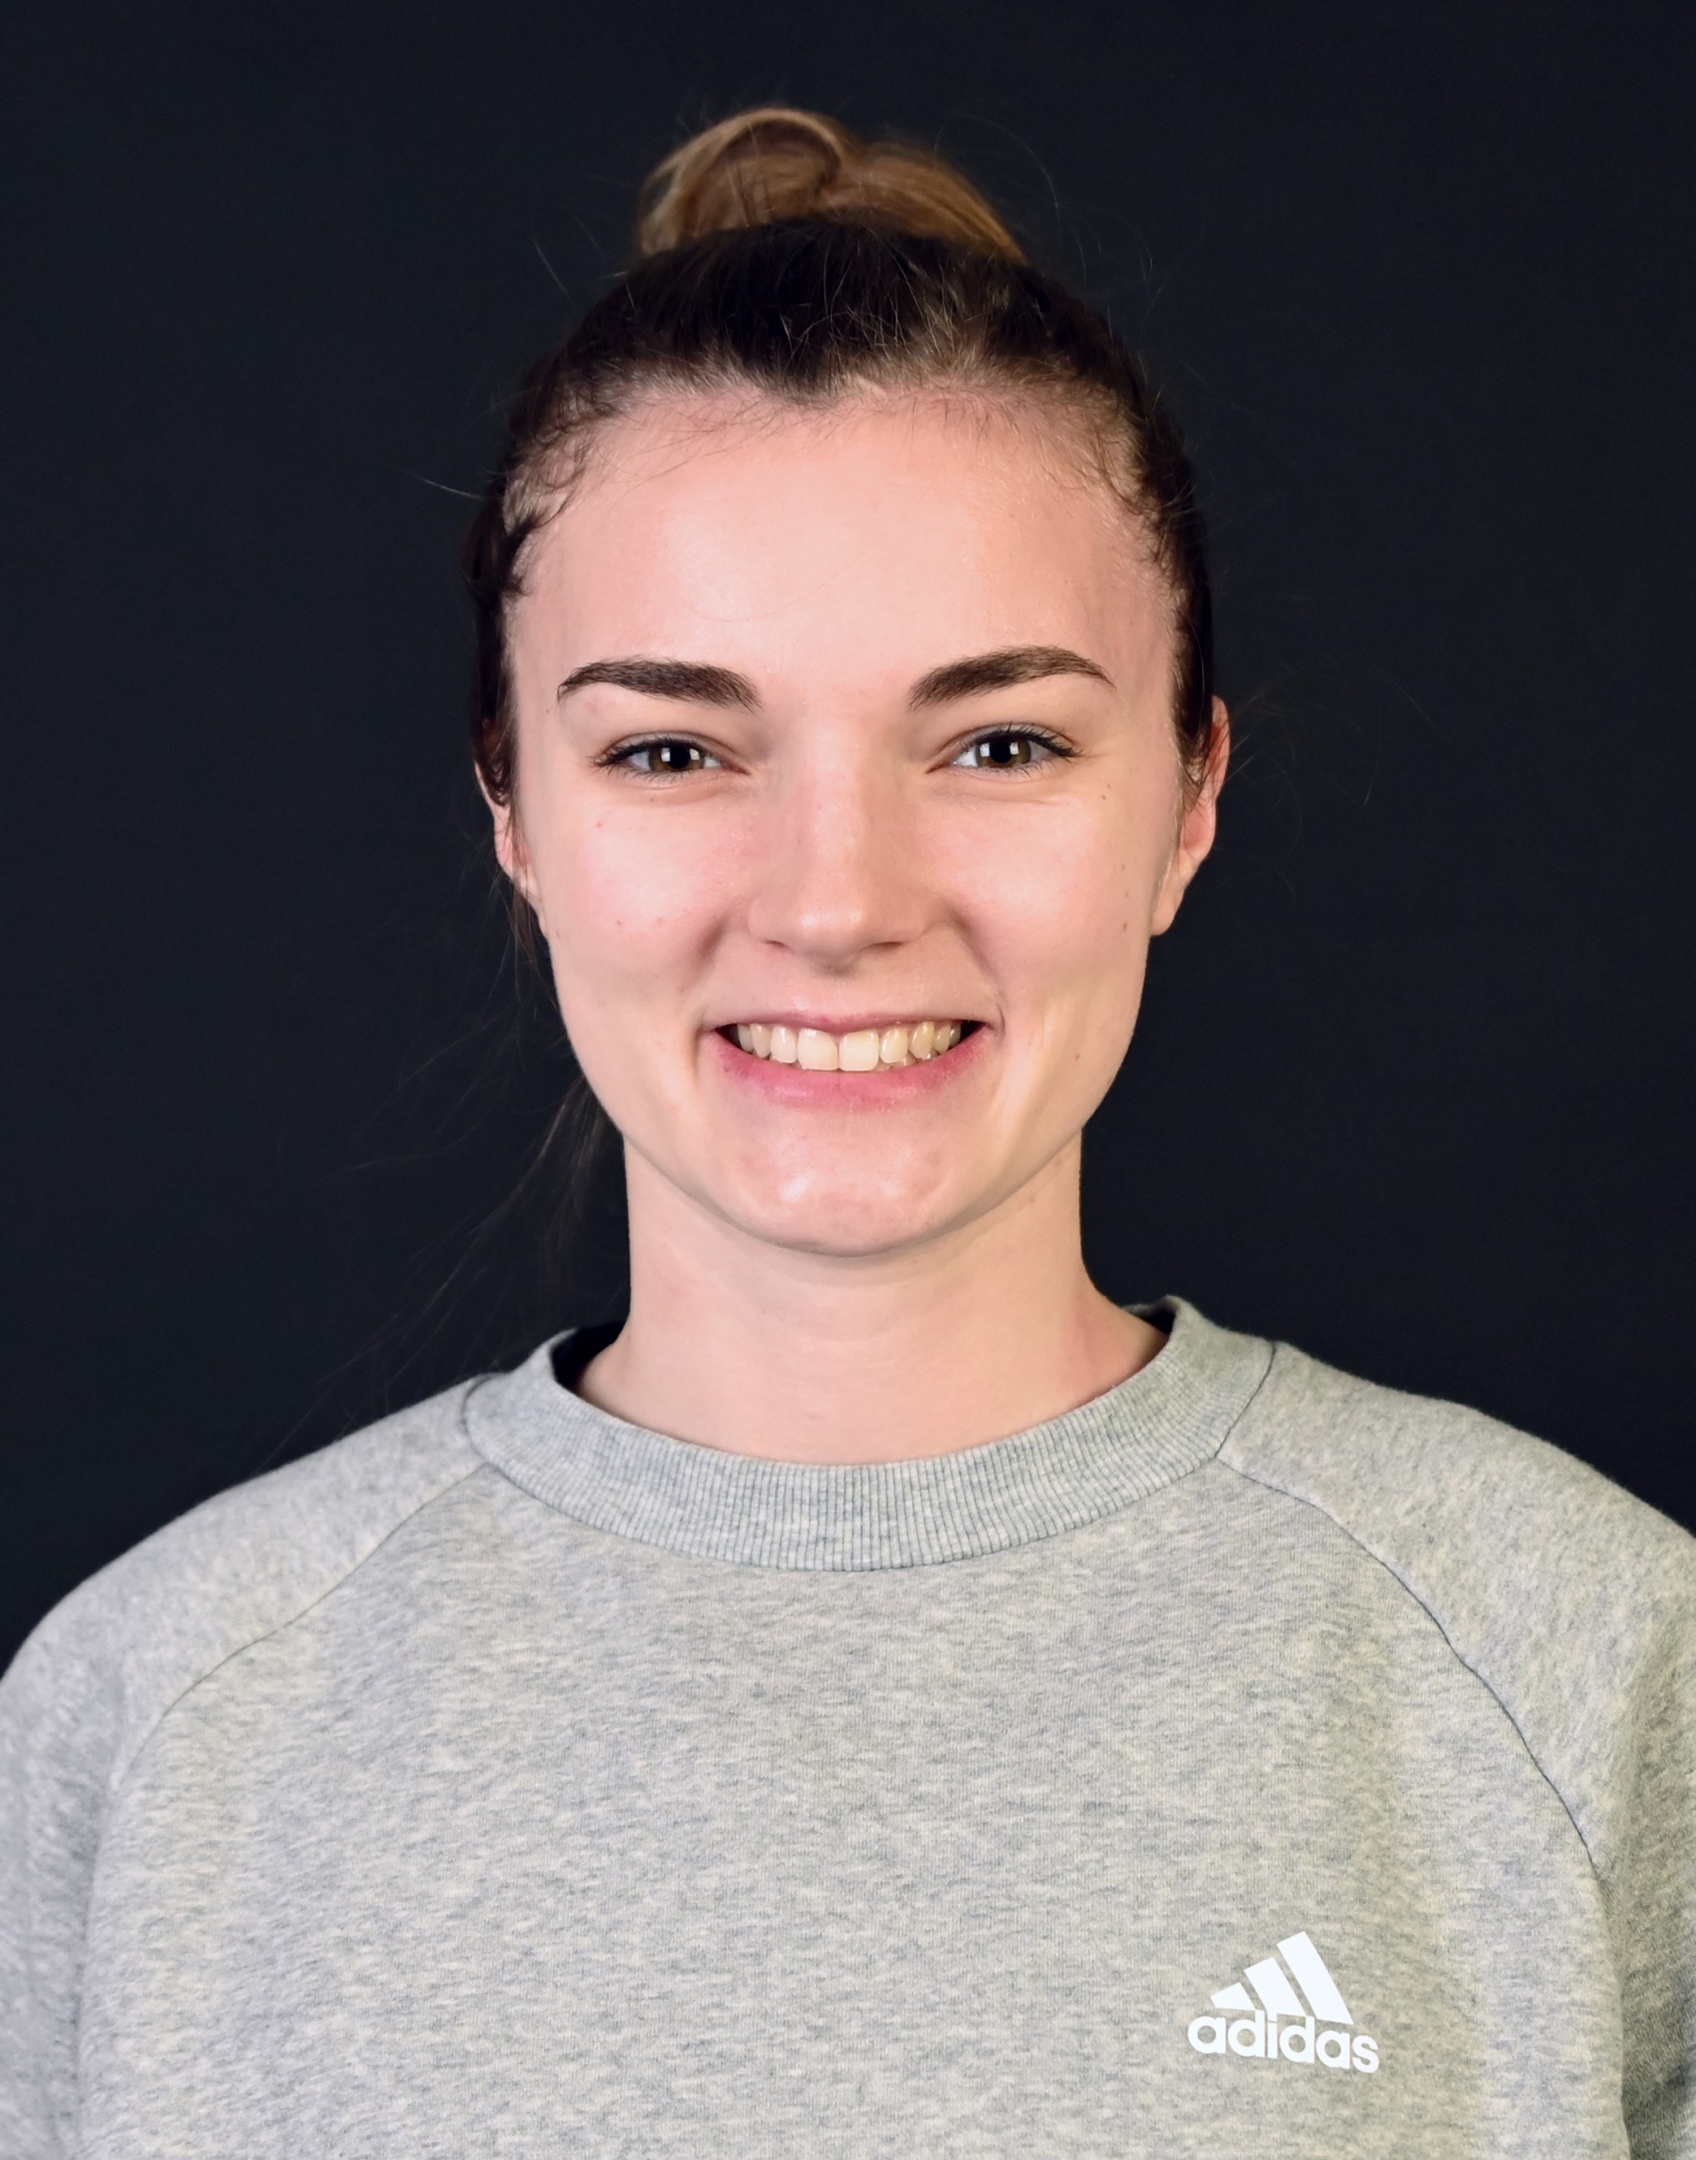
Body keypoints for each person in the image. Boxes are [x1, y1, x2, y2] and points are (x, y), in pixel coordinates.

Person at [2, 106, 1692, 2159]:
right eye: (671, 750)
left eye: (998, 742)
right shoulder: (141, 1728)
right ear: (512, 811)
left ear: (1187, 799)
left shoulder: (1592, 1671)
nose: (835, 900)